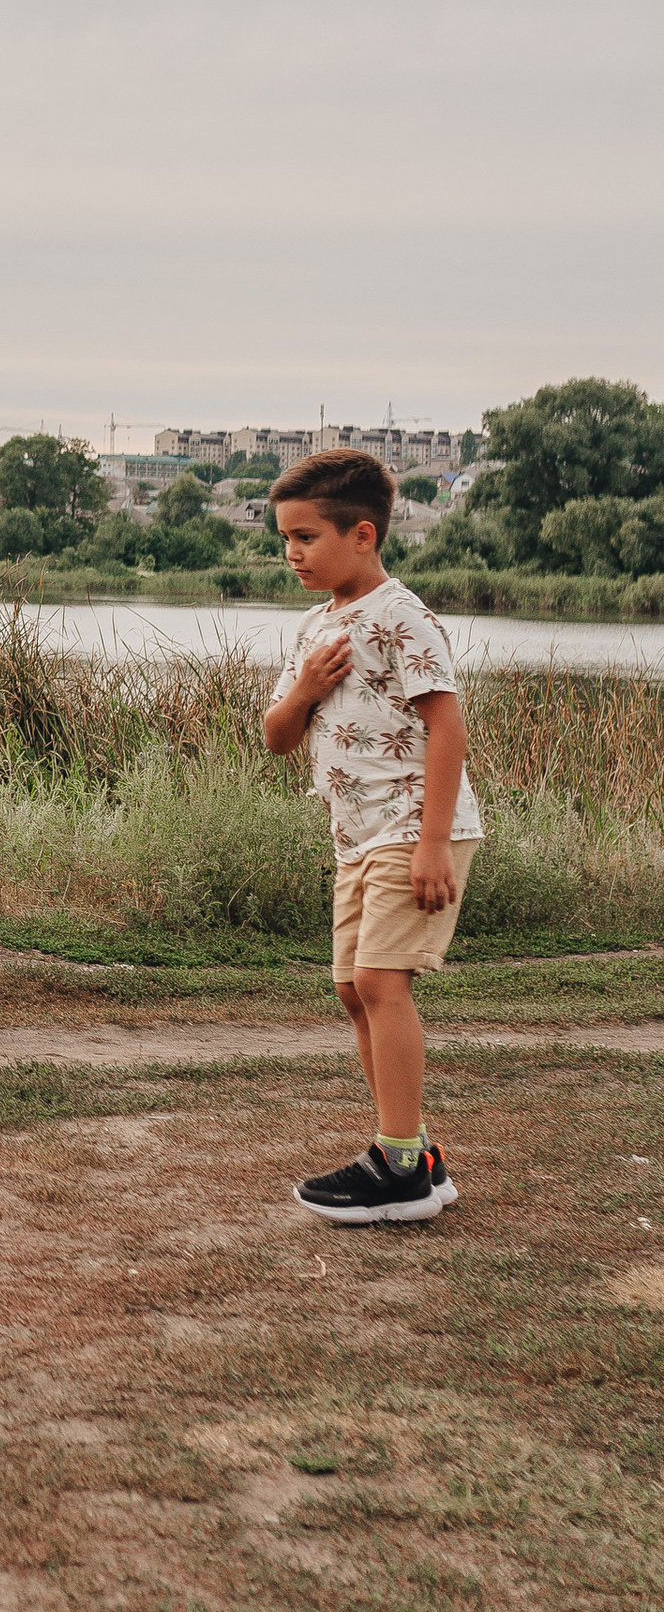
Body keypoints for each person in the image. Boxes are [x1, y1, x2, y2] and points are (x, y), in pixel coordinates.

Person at [263, 446, 483, 1225]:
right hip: (353, 837)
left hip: (415, 827)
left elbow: (447, 728)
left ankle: (396, 1168)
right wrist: (306, 689)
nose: (292, 553)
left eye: (306, 537)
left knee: (385, 985)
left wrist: (430, 845)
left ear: (363, 534)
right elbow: (277, 737)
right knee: (354, 989)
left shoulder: (401, 615)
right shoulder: (316, 628)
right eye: (284, 538)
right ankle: (418, 1155)